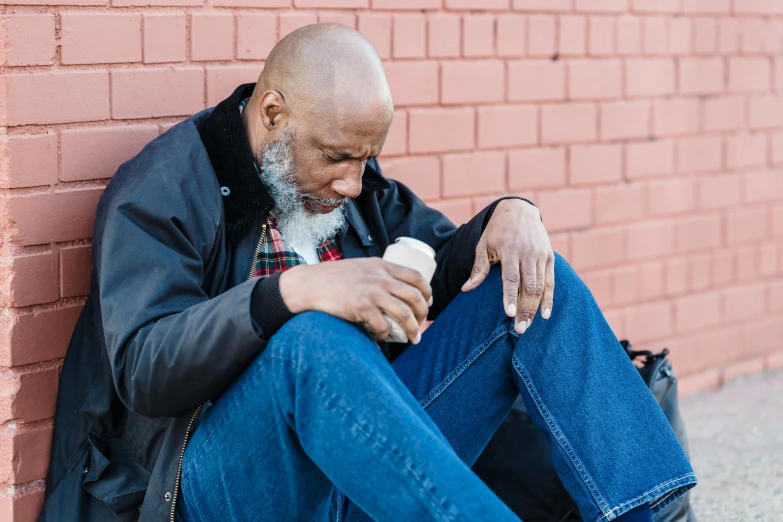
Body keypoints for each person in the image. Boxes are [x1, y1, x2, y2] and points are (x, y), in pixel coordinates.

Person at [39, 23, 695, 522]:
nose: (354, 183)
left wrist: (510, 216)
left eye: (366, 159)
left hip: (357, 460)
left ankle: (654, 514)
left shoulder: (342, 182)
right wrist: (289, 295)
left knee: (527, 279)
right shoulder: (161, 191)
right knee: (310, 341)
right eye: (337, 158)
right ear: (273, 115)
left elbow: (443, 260)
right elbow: (145, 369)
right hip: (208, 484)